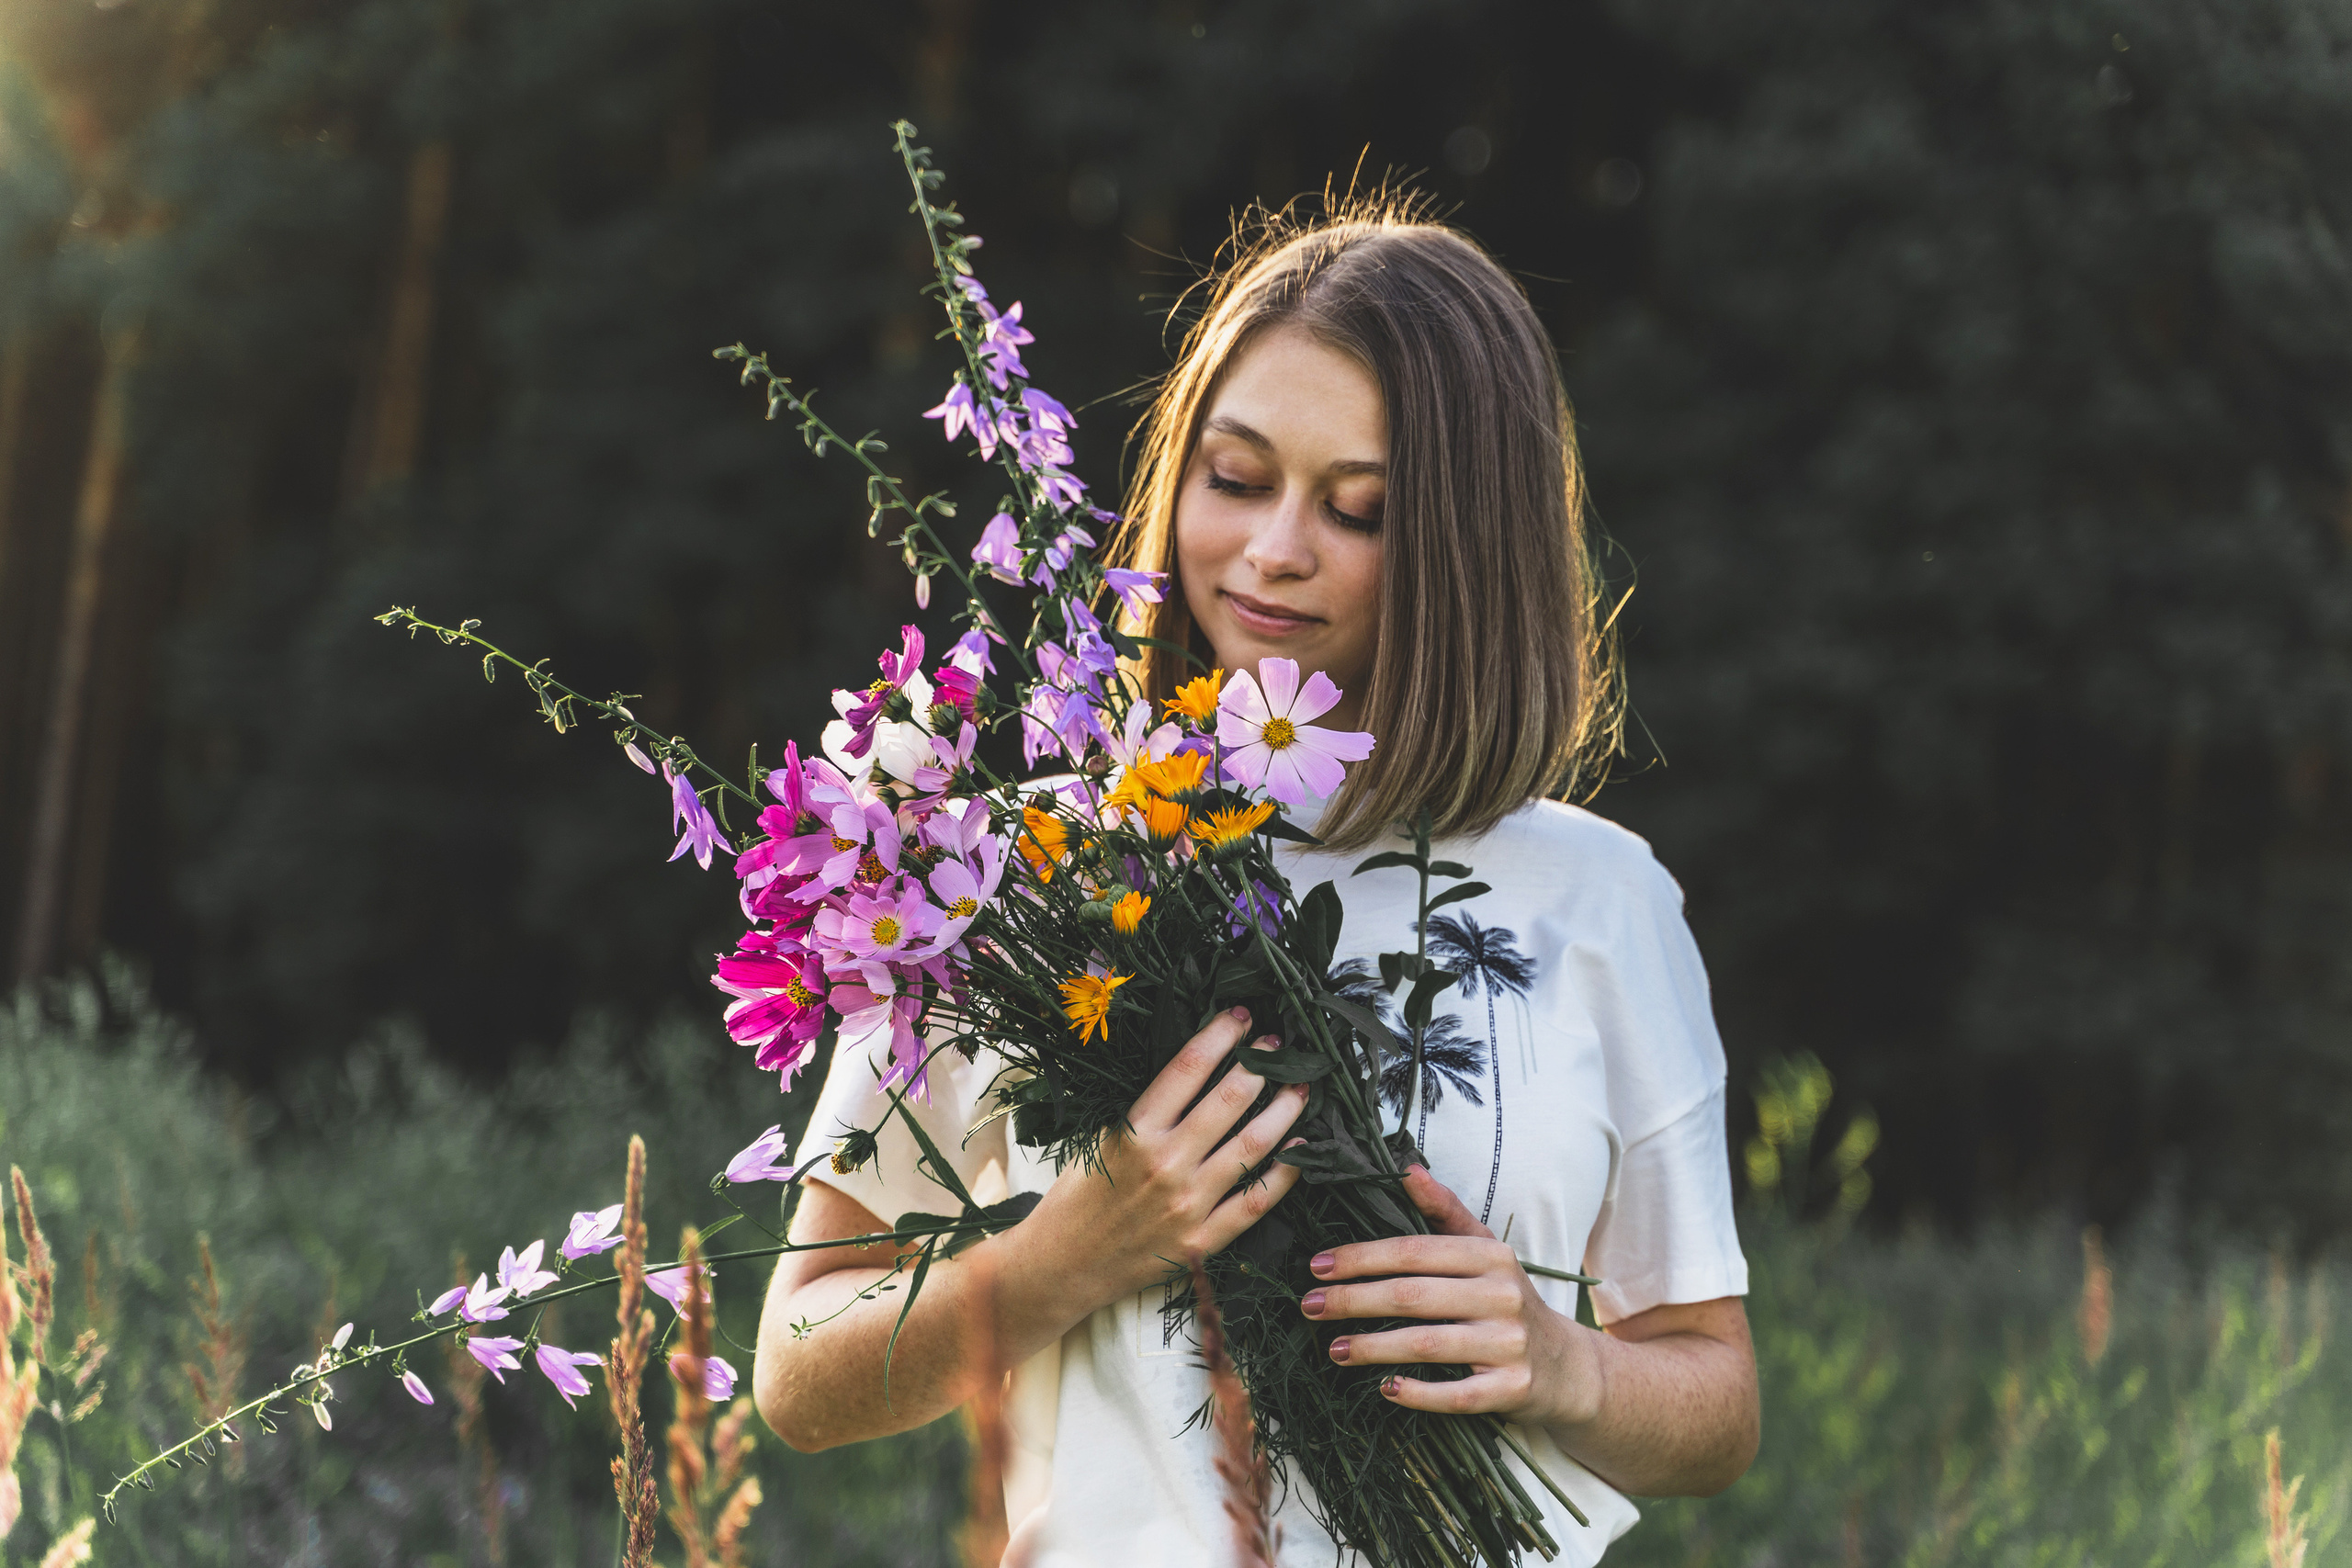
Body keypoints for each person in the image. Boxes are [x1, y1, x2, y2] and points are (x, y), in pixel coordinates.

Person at [753, 203, 1759, 1567]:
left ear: (1471, 548)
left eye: (1359, 509)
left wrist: (1559, 1359)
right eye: (1234, 479)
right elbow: (798, 1367)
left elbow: (1714, 1397)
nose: (1274, 548)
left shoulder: (1601, 902)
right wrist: (1066, 1258)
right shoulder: (1028, 873)